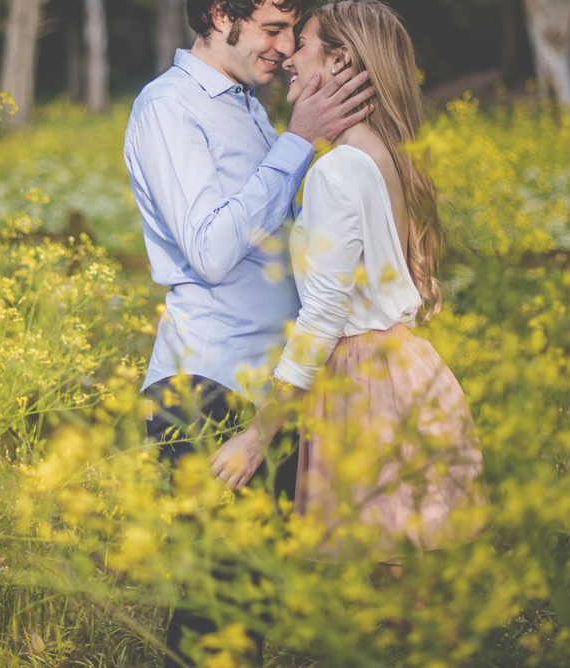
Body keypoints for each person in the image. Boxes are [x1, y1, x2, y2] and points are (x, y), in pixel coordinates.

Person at [123, 0, 375, 664]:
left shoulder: (248, 108)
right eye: (271, 29)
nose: (287, 47)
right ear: (218, 15)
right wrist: (298, 141)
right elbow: (209, 249)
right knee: (220, 611)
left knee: (249, 611)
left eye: (293, 31)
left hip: (269, 392)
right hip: (204, 382)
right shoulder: (169, 107)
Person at [211, 0, 487, 567]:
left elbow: (322, 315)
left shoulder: (337, 169)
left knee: (382, 585)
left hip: (364, 385)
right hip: (406, 369)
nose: (289, 55)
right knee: (402, 581)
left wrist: (257, 436)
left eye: (304, 43)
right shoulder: (384, 155)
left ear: (340, 61)